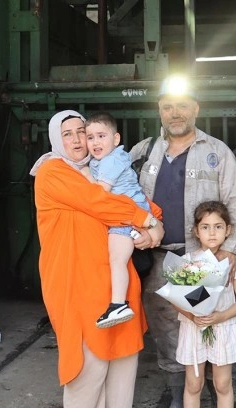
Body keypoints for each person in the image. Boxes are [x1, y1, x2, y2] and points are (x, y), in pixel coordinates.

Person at [30, 110, 164, 407]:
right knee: (87, 373)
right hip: (78, 287)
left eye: (82, 132)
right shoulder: (52, 172)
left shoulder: (102, 168)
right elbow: (99, 203)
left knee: (123, 370)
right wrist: (147, 222)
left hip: (118, 290)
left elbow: (137, 199)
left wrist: (156, 224)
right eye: (67, 134)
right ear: (56, 140)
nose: (78, 140)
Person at [130, 75, 236, 407]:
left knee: (206, 321)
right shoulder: (144, 151)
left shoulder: (216, 152)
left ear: (196, 108)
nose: (175, 113)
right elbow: (111, 184)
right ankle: (178, 390)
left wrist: (230, 250)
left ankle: (211, 388)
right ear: (159, 110)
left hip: (203, 260)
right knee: (166, 326)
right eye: (168, 107)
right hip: (159, 259)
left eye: (182, 106)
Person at [80, 112, 153, 329]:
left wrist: (85, 174)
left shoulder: (112, 160)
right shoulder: (102, 159)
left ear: (116, 139)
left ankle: (119, 304)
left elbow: (100, 193)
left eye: (101, 136)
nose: (95, 142)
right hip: (125, 214)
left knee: (117, 260)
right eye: (90, 137)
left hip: (127, 216)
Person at [176, 201, 236, 408]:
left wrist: (220, 316)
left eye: (218, 226)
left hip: (222, 328)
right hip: (193, 328)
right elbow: (176, 299)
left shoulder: (233, 263)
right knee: (193, 384)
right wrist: (192, 316)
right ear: (196, 231)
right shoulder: (188, 261)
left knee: (223, 384)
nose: (212, 233)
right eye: (205, 227)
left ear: (228, 230)